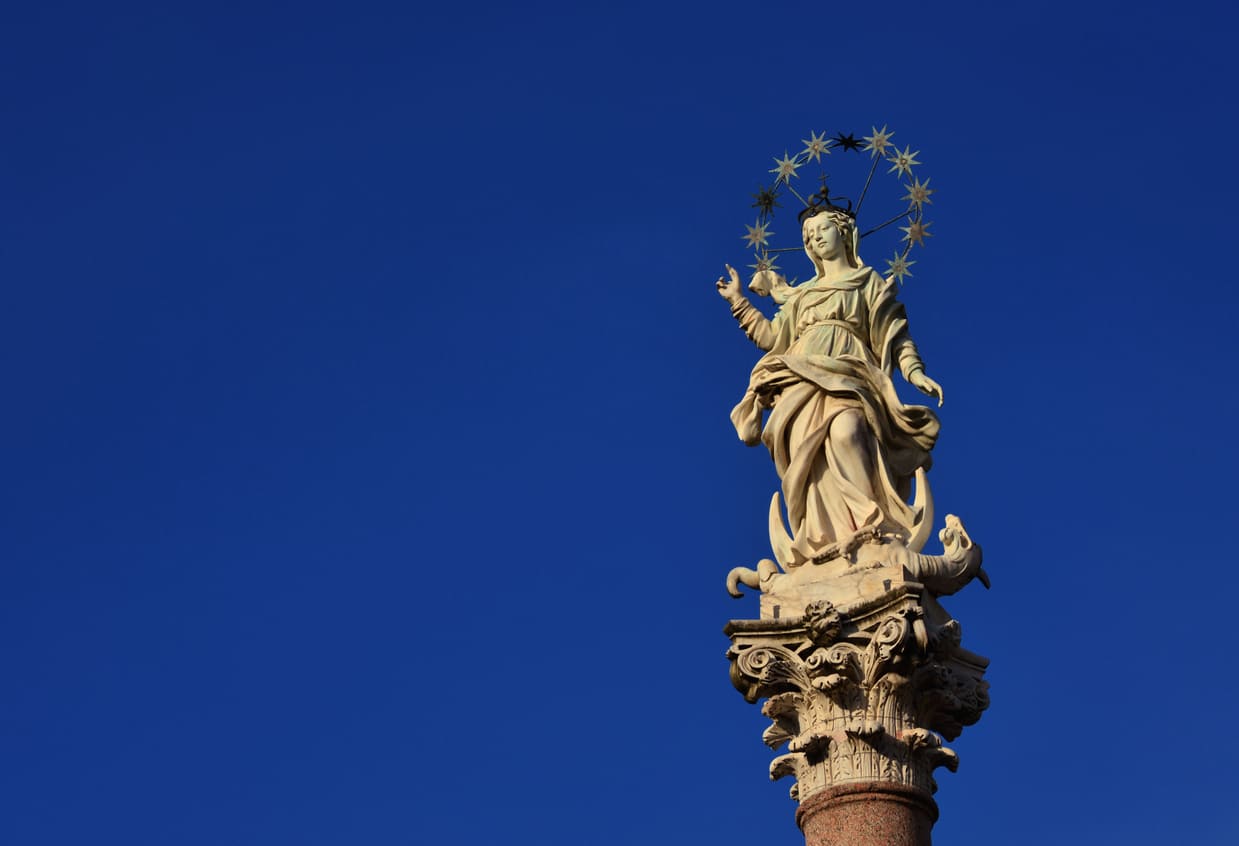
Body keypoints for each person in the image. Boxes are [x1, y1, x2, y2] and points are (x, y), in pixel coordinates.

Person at [717, 201, 944, 565]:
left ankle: (876, 526)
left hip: (849, 371)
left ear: (844, 232)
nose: (814, 238)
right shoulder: (802, 294)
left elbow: (895, 335)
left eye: (822, 229)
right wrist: (739, 302)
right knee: (811, 460)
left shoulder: (867, 281)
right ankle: (826, 538)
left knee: (848, 431)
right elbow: (773, 338)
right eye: (808, 235)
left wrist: (914, 371)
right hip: (799, 377)